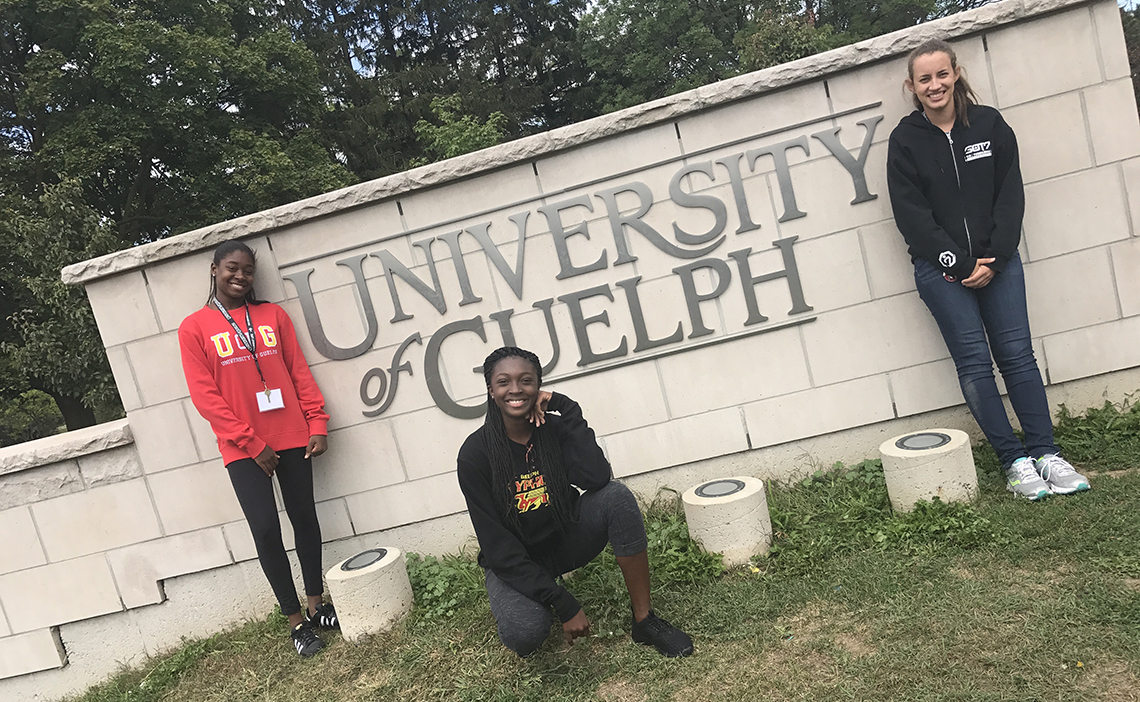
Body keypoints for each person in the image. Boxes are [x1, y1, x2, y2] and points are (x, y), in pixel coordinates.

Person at [886, 39, 1090, 501]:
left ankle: (1046, 454)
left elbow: (1010, 194)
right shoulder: (905, 140)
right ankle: (1015, 462)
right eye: (924, 79)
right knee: (976, 365)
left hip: (1000, 263)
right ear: (912, 87)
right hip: (941, 272)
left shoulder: (990, 125)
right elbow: (911, 216)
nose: (935, 85)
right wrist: (957, 263)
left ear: (956, 73)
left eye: (942, 74)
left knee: (1018, 357)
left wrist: (994, 258)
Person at [456, 346, 694, 658]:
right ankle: (535, 596)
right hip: (516, 560)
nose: (515, 389)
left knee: (616, 497)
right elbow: (498, 549)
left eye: (525, 380)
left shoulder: (551, 430)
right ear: (490, 389)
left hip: (564, 538)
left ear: (538, 387)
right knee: (524, 633)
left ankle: (645, 620)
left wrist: (567, 409)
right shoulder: (475, 454)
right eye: (504, 382)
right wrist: (563, 602)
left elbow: (596, 479)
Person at [178, 240, 340, 657]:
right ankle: (295, 622)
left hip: (291, 434)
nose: (240, 276)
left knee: (304, 517)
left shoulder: (272, 315)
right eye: (232, 268)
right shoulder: (194, 327)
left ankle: (316, 604)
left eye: (248, 270)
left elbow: (298, 370)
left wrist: (316, 421)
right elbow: (205, 397)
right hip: (241, 447)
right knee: (266, 529)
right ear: (214, 270)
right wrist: (250, 442)